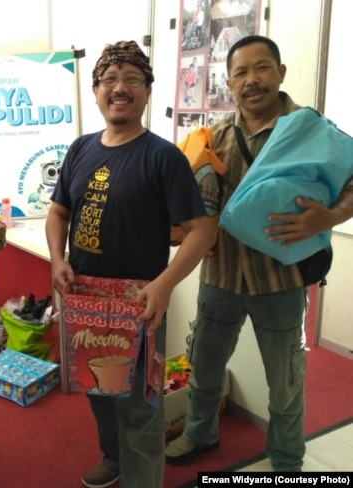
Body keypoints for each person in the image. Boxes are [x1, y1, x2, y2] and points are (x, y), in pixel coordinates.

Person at [164, 35, 353, 472]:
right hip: (219, 278)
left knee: (285, 384)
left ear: (280, 73)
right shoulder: (215, 138)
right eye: (241, 73)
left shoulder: (311, 130)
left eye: (261, 68)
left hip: (280, 283)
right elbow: (196, 205)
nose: (252, 80)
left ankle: (287, 461)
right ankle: (199, 433)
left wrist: (328, 217)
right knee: (205, 368)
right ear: (228, 84)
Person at [45, 40, 214, 488]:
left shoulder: (163, 157)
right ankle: (113, 458)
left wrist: (165, 285)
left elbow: (201, 230)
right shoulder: (81, 149)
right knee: (99, 390)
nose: (120, 88)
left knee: (140, 404)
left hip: (138, 301)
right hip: (85, 296)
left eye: (132, 80)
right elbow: (59, 211)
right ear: (96, 88)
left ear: (146, 91)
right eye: (110, 80)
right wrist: (56, 258)